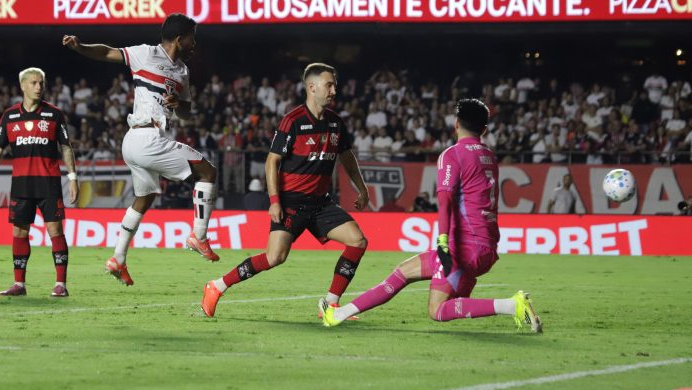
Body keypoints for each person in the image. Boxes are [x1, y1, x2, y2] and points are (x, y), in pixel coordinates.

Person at [319, 99, 542, 332]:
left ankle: (512, 305)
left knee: (438, 310)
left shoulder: (453, 154)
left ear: (456, 124)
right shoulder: (489, 156)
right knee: (404, 272)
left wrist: (443, 241)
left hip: (462, 247)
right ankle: (338, 314)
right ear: (484, 129)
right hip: (484, 245)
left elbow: (445, 201)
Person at [62, 13, 220, 287]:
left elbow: (185, 112)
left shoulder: (182, 71)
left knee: (144, 199)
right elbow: (107, 52)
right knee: (208, 172)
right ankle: (199, 236)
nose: (194, 43)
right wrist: (80, 47)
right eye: (192, 38)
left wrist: (178, 104)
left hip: (137, 142)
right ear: (179, 39)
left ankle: (118, 258)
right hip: (146, 138)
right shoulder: (145, 54)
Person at [201, 63, 370, 318]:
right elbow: (272, 161)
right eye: (329, 85)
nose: (334, 90)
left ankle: (330, 304)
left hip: (321, 203)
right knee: (274, 257)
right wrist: (274, 200)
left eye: (335, 85)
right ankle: (217, 286)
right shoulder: (293, 121)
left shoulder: (336, 123)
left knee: (357, 241)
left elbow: (347, 158)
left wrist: (362, 188)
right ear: (312, 87)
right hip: (291, 201)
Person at [0, 67, 79, 297]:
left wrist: (73, 178)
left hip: (48, 183)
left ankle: (60, 284)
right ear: (22, 86)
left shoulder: (54, 114)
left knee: (55, 230)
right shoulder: (9, 116)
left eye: (41, 83)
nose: (39, 87)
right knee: (19, 233)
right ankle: (19, 284)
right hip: (21, 184)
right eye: (34, 83)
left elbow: (66, 147)